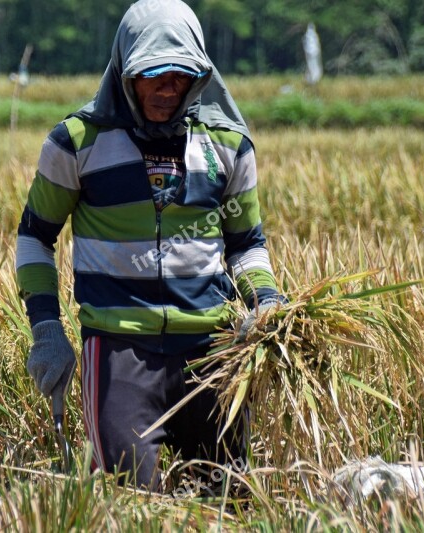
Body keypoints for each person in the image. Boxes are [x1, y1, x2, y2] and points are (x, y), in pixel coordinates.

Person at [15, 0, 285, 490]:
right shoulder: (77, 144)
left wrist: (266, 301)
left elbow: (246, 246)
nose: (168, 88)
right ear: (124, 73)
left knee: (222, 498)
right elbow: (35, 237)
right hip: (120, 351)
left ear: (200, 77)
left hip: (212, 353)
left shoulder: (228, 147)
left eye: (182, 76)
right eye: (153, 74)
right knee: (131, 496)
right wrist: (46, 329)